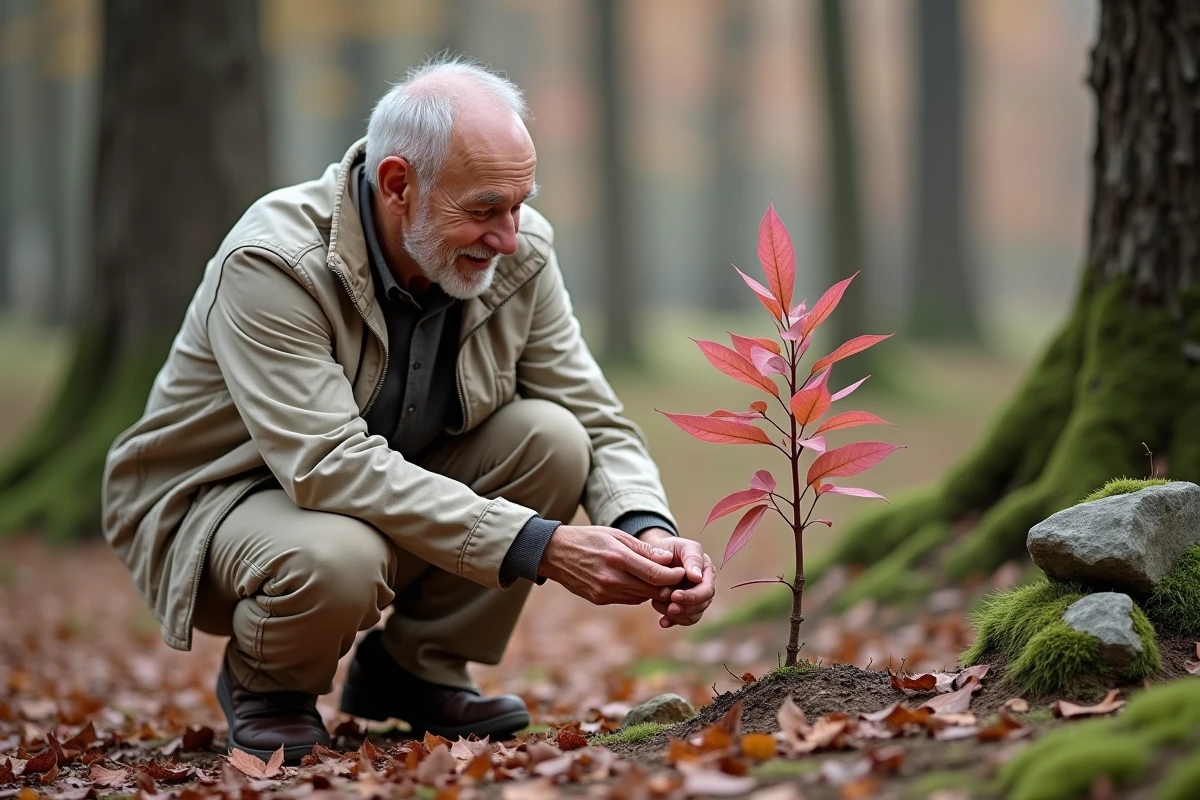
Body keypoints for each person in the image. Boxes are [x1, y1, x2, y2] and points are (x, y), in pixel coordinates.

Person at [101, 57, 716, 763]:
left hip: (380, 482)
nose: (509, 236)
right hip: (217, 503)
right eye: (484, 209)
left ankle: (415, 671)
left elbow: (594, 415)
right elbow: (328, 465)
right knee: (338, 556)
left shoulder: (521, 255)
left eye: (519, 204)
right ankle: (269, 685)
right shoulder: (274, 260)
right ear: (398, 185)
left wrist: (647, 528)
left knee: (554, 439)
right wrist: (538, 543)